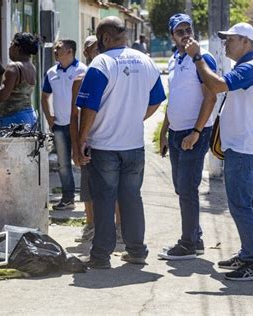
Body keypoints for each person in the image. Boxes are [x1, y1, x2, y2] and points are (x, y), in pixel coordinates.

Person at [76, 16, 166, 269]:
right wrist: (136, 118)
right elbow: (157, 100)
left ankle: (101, 256)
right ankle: (137, 251)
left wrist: (81, 139)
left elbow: (89, 108)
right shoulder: (145, 60)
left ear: (104, 38)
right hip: (134, 145)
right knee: (131, 198)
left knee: (104, 200)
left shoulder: (101, 63)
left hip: (104, 146)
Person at [185, 23, 253, 281]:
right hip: (244, 147)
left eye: (230, 40)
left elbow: (217, 85)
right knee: (250, 205)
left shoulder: (249, 68)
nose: (225, 45)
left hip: (244, 149)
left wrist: (198, 58)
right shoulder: (248, 67)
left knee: (241, 205)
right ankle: (250, 254)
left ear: (246, 42)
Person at [157, 14, 217, 261]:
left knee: (187, 188)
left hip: (195, 132)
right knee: (181, 187)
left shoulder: (202, 58)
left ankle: (188, 243)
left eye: (187, 29)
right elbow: (176, 98)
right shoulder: (174, 59)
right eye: (179, 31)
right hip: (175, 132)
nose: (184, 34)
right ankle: (196, 237)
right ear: (172, 35)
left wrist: (196, 132)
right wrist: (163, 131)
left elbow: (210, 97)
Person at [70, 36, 123, 244]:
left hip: (113, 141)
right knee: (88, 187)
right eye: (94, 50)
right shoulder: (80, 81)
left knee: (116, 187)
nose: (98, 53)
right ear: (87, 54)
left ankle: (118, 228)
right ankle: (91, 225)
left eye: (101, 49)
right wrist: (76, 145)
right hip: (88, 142)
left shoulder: (117, 76)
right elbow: (74, 114)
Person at [42, 39, 87, 210]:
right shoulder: (52, 72)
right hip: (60, 126)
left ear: (70, 51)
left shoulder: (83, 70)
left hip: (80, 126)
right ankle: (68, 199)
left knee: (83, 161)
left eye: (58, 48)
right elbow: (44, 96)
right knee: (63, 164)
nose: (54, 51)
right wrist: (49, 118)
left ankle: (89, 201)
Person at [0, 33, 39, 128]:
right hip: (28, 115)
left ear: (17, 48)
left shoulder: (14, 67)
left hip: (14, 119)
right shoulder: (30, 67)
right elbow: (6, 79)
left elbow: (2, 95)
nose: (9, 48)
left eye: (11, 44)